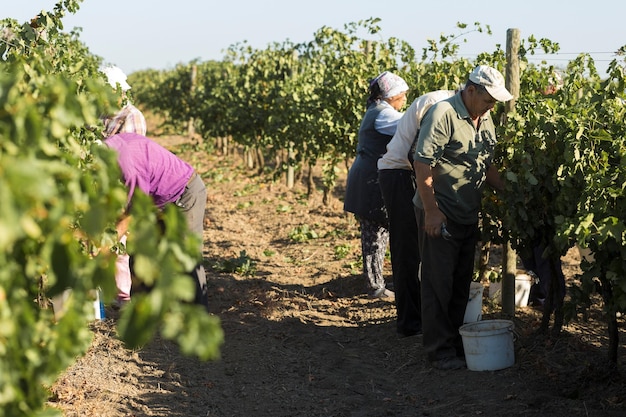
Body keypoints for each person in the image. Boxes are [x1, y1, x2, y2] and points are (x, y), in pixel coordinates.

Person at [412, 65, 513, 370]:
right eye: (488, 99)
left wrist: (511, 191)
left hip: (466, 212)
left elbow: (487, 162)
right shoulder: (443, 114)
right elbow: (422, 163)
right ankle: (438, 351)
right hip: (440, 211)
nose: (492, 104)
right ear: (471, 90)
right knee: (437, 283)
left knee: (459, 283)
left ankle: (455, 345)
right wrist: (431, 211)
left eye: (495, 100)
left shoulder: (484, 116)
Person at [377, 89, 456, 337]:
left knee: (419, 249)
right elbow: (418, 154)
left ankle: (419, 317)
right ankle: (409, 323)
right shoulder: (438, 105)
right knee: (407, 249)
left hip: (412, 174)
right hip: (399, 174)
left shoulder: (454, 105)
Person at [104, 132, 209, 309]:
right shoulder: (111, 145)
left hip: (184, 194)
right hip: (157, 200)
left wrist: (106, 242)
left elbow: (136, 211)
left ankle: (196, 315)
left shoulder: (128, 167)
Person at [344, 71, 409, 299]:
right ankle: (375, 287)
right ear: (391, 96)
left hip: (370, 177)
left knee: (379, 232)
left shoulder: (378, 110)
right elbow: (410, 125)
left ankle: (377, 283)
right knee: (375, 234)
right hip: (370, 181)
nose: (404, 100)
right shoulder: (384, 115)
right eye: (402, 95)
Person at [101, 65, 148, 306]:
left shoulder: (132, 115)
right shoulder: (103, 115)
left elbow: (133, 156)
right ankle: (107, 293)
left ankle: (124, 297)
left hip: (123, 187)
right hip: (103, 188)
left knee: (120, 244)